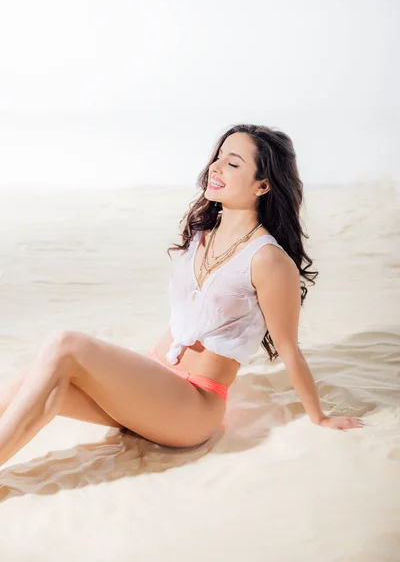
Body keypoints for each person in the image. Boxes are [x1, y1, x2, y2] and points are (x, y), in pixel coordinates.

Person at [0, 124, 364, 468]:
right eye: (219, 156)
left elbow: (289, 348)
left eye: (233, 163)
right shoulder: (203, 232)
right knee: (30, 378)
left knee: (65, 343)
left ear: (263, 185)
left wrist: (319, 416)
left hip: (190, 408)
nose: (215, 167)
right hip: (152, 388)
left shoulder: (268, 259)